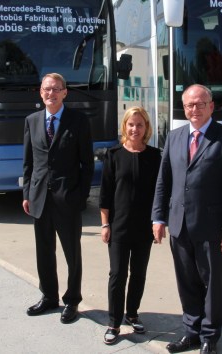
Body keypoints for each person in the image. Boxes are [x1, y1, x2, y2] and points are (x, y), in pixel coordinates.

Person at [151, 84, 222, 354]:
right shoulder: (174, 137)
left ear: (211, 106)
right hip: (179, 224)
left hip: (213, 229)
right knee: (187, 282)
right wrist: (158, 217)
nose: (194, 109)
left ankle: (209, 337)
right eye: (189, 105)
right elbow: (164, 180)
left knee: (214, 284)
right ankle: (191, 332)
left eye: (200, 104)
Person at [22, 73, 94, 324]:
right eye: (45, 89)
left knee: (72, 253)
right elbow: (29, 162)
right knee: (44, 251)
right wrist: (27, 193)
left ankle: (72, 301)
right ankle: (49, 296)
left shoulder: (78, 121)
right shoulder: (31, 121)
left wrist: (81, 196)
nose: (50, 93)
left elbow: (87, 163)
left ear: (65, 92)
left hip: (68, 199)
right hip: (40, 198)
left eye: (55, 89)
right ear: (40, 92)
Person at [99, 107, 161, 345]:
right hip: (119, 226)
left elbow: (160, 193)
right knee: (117, 274)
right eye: (131, 124)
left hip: (144, 228)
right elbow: (105, 195)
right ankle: (114, 322)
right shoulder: (113, 155)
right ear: (124, 126)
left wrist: (158, 222)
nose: (135, 129)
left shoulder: (155, 156)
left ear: (147, 128)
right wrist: (105, 225)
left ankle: (132, 313)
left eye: (140, 125)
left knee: (139, 274)